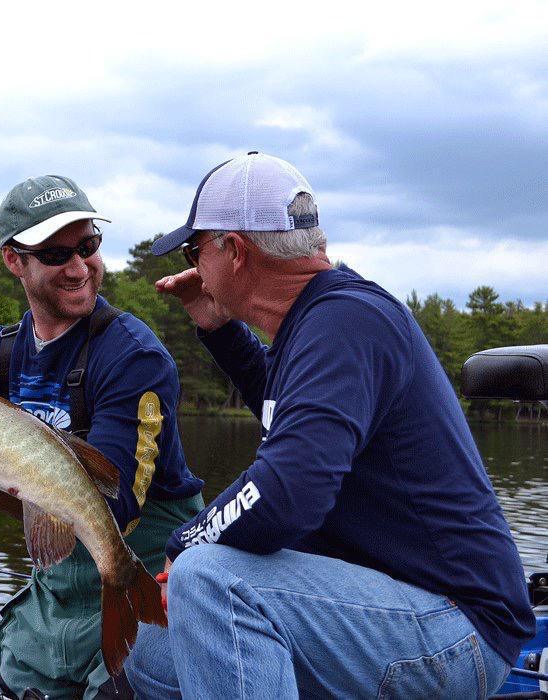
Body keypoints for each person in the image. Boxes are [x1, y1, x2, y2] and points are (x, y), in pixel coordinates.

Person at [123, 152, 535, 698]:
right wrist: (219, 327)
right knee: (150, 651)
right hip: (387, 600)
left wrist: (183, 544)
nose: (193, 264)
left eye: (194, 249)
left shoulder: (347, 322)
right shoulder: (318, 322)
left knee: (209, 581)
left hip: (457, 626)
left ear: (235, 252)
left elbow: (286, 491)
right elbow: (282, 406)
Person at [0, 175, 205, 699]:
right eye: (56, 254)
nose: (80, 268)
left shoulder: (133, 358)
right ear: (15, 260)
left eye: (88, 246)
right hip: (52, 603)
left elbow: (114, 513)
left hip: (143, 575)